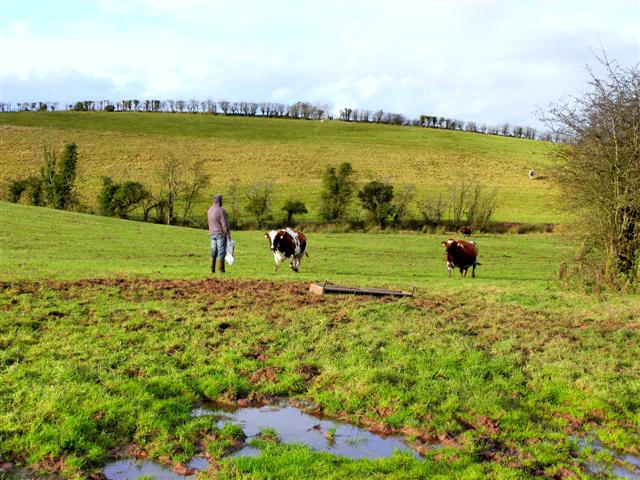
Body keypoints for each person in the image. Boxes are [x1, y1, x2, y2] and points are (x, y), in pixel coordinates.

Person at [207, 195, 231, 273]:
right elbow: (224, 224)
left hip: (212, 234)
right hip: (220, 233)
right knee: (221, 251)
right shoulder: (221, 210)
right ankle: (221, 270)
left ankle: (212, 269)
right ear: (219, 201)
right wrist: (228, 235)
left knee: (213, 251)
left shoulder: (209, 210)